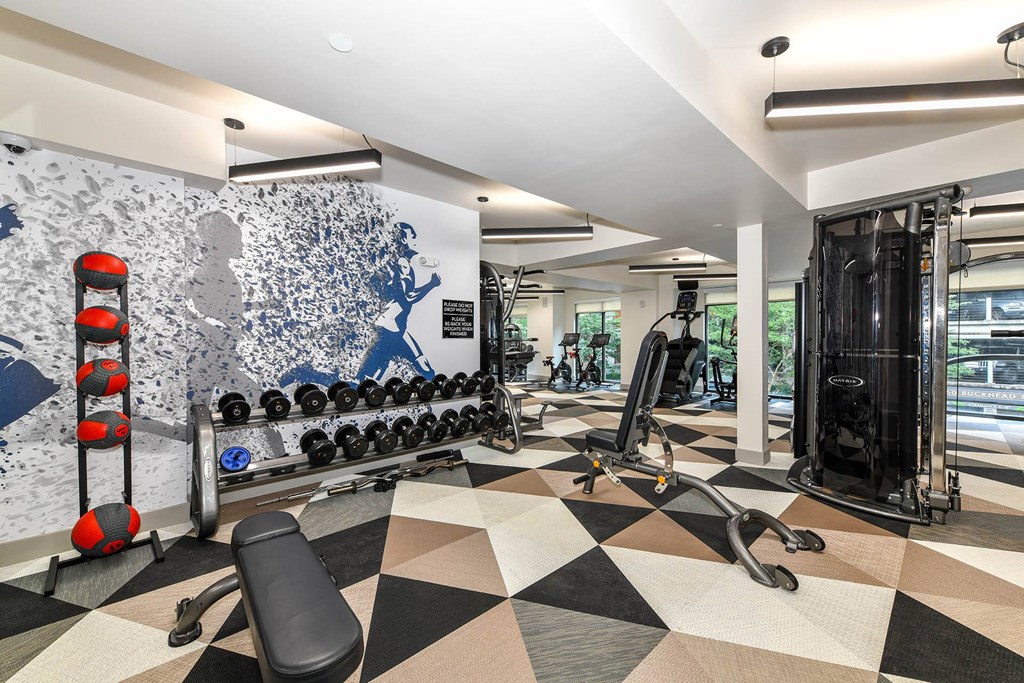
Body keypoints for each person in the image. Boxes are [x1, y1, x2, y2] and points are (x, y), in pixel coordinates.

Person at [358, 222, 440, 380]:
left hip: (396, 328)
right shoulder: (402, 264)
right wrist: (431, 285)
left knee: (422, 367)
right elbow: (409, 296)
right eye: (412, 237)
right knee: (373, 375)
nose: (415, 241)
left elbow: (406, 295)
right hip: (390, 328)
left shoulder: (403, 263)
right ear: (403, 240)